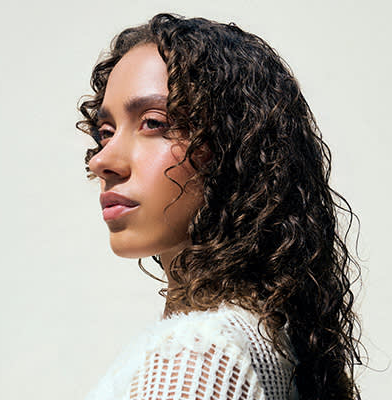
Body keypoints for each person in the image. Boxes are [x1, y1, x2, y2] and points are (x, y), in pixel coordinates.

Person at [77, 13, 364, 400]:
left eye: (153, 123)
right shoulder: (260, 337)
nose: (102, 160)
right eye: (105, 132)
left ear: (235, 147)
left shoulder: (196, 358)